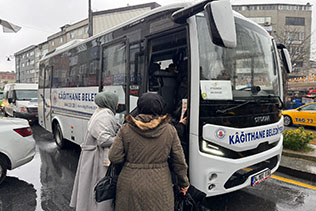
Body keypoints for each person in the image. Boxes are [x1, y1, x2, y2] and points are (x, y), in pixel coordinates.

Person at [109, 93, 190, 211]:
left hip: (130, 183)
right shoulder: (169, 130)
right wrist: (183, 183)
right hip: (160, 183)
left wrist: (129, 161)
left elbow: (114, 156)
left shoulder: (126, 129)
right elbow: (179, 161)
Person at [70, 91, 119, 211]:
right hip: (97, 158)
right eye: (116, 101)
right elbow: (104, 140)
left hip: (92, 155)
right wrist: (120, 138)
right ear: (109, 102)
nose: (118, 104)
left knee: (89, 186)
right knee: (98, 186)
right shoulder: (105, 116)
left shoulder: (100, 113)